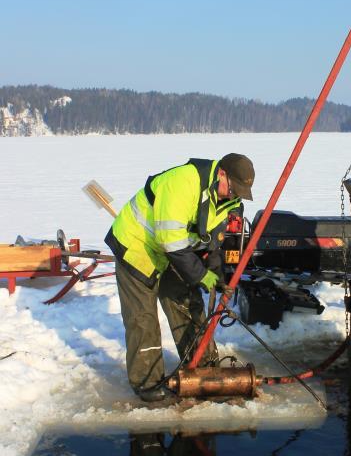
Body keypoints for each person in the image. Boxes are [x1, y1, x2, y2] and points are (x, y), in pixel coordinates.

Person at [105, 153, 255, 402]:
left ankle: (203, 366)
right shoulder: (183, 183)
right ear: (221, 174)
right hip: (138, 246)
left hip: (175, 252)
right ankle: (147, 382)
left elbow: (214, 244)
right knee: (143, 318)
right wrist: (199, 275)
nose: (235, 195)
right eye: (233, 188)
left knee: (187, 303)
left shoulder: (229, 200)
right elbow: (170, 241)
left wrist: (217, 277)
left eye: (240, 192)